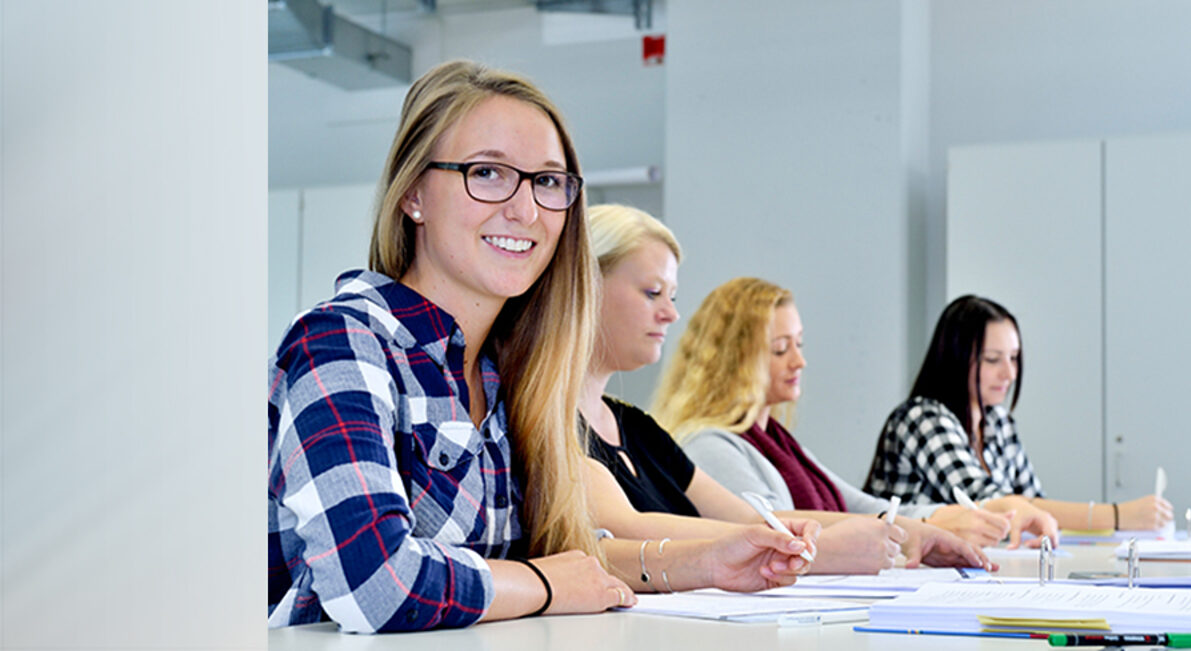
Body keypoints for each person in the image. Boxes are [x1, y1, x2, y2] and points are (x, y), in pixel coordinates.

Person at [268, 61, 814, 633]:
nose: (526, 211)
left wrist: (700, 562)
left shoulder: (513, 372)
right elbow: (376, 583)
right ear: (412, 196)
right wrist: (546, 582)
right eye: (487, 173)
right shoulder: (342, 344)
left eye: (548, 181)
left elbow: (566, 554)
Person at [577, 206, 983, 571]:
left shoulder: (638, 428)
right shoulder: (550, 425)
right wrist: (821, 550)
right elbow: (627, 531)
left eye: (672, 295)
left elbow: (753, 522)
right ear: (584, 286)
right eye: (652, 293)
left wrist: (910, 532)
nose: (670, 312)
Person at [650, 277, 1060, 550]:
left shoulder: (777, 438)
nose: (799, 362)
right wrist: (928, 529)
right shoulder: (710, 444)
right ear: (734, 359)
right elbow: (777, 528)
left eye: (800, 345)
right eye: (780, 349)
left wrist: (941, 518)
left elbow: (856, 505)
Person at [864, 295, 1173, 532]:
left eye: (1014, 358)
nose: (1009, 373)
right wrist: (1118, 516)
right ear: (955, 359)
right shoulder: (923, 418)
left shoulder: (997, 421)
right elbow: (997, 505)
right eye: (993, 359)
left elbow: (1035, 500)